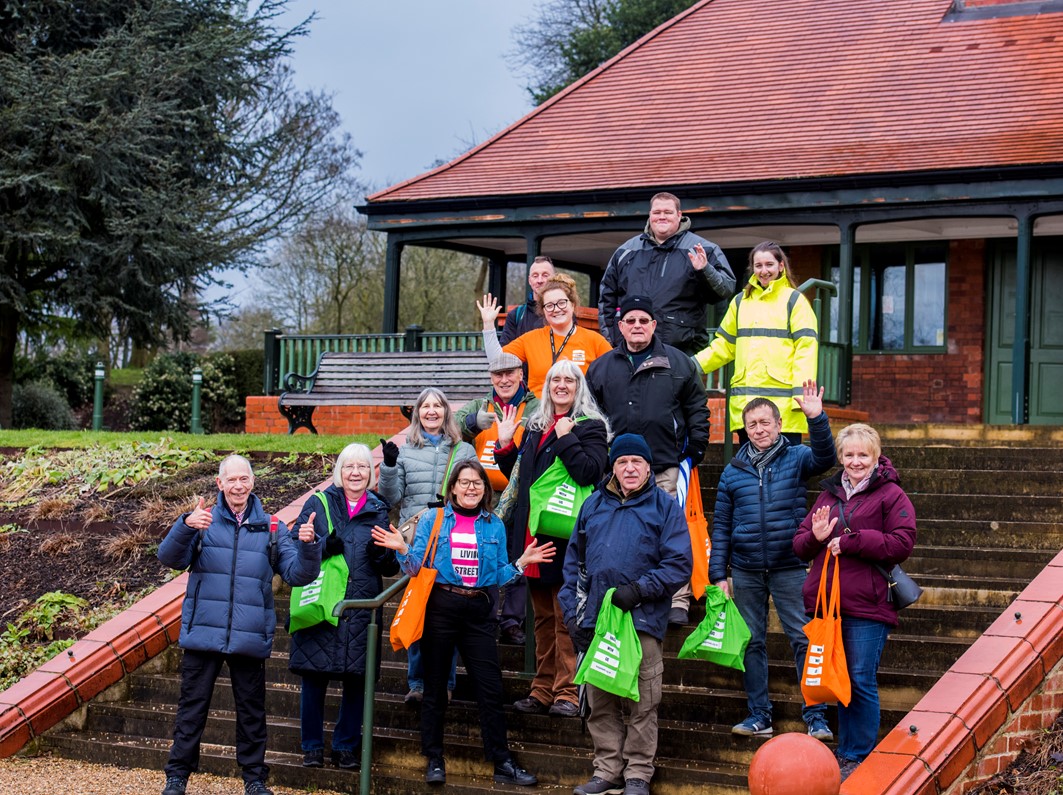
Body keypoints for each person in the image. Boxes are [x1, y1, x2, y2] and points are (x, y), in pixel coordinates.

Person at [372, 460, 554, 787]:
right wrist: (402, 549)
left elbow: (496, 575)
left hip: (479, 612)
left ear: (485, 489)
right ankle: (434, 757)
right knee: (436, 686)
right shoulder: (434, 519)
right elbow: (417, 568)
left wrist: (520, 565)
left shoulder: (494, 525)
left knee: (490, 688)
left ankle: (501, 761)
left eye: (477, 483)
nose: (471, 488)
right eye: (464, 482)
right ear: (452, 487)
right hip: (441, 607)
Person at [157, 455, 322, 795]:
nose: (238, 486)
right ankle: (177, 777)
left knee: (251, 713)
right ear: (220, 484)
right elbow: (169, 558)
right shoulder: (201, 521)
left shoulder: (272, 527)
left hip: (249, 635)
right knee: (191, 711)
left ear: (252, 482)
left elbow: (298, 575)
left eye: (243, 479)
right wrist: (185, 525)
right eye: (231, 480)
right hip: (204, 632)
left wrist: (309, 547)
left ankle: (254, 780)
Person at [559, 434, 692, 795]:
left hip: (642, 620)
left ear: (649, 467)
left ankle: (637, 774)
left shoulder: (665, 507)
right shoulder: (592, 505)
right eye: (622, 462)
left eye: (637, 461)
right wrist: (573, 615)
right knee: (599, 701)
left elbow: (679, 563)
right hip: (597, 622)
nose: (629, 468)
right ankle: (607, 770)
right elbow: (573, 564)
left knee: (642, 702)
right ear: (613, 467)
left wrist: (640, 590)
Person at [709, 382, 836, 742]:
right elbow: (721, 527)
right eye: (752, 425)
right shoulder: (732, 471)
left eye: (765, 422)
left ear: (779, 424)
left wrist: (817, 418)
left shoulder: (797, 457)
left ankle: (816, 716)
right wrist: (719, 573)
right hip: (746, 569)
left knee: (803, 638)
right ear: (744, 430)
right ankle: (758, 715)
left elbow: (826, 458)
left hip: (789, 565)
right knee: (751, 641)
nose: (759, 430)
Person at [793, 423, 917, 782]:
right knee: (840, 680)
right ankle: (846, 753)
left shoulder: (891, 495)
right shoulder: (828, 494)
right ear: (841, 458)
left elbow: (902, 543)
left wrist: (853, 541)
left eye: (863, 454)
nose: (856, 461)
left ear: (876, 457)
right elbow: (799, 543)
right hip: (828, 604)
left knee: (860, 679)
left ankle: (857, 754)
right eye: (849, 454)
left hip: (869, 604)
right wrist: (815, 537)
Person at [494, 358, 610, 718]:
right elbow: (524, 478)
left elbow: (589, 472)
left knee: (565, 617)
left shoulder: (591, 426)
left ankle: (568, 693)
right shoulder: (535, 425)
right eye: (555, 379)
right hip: (532, 536)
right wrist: (504, 446)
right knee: (542, 618)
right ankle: (542, 689)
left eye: (569, 380)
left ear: (579, 388)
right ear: (547, 387)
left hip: (567, 537)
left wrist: (566, 437)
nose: (561, 385)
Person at [586, 293, 709, 626]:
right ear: (620, 326)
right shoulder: (601, 367)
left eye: (644, 320)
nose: (637, 326)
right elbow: (590, 414)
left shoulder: (679, 363)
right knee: (622, 536)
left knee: (670, 535)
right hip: (616, 471)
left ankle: (677, 600)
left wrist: (696, 447)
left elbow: (698, 407)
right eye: (631, 321)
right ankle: (623, 593)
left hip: (664, 467)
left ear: (654, 325)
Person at [288, 443, 399, 770]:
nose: (355, 473)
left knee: (356, 680)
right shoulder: (319, 502)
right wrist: (322, 546)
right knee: (313, 677)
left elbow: (389, 565)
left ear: (370, 473)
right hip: (322, 601)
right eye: (349, 466)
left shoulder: (378, 508)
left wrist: (384, 555)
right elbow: (293, 547)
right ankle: (311, 747)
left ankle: (345, 747)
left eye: (362, 467)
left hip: (361, 606)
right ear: (339, 471)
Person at [378, 386, 475, 704]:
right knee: (418, 609)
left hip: (451, 539)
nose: (431, 411)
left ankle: (445, 683)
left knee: (447, 615)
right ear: (416, 413)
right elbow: (392, 497)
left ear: (446, 412)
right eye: (425, 406)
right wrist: (389, 468)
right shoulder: (406, 451)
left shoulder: (463, 451)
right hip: (416, 542)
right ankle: (418, 683)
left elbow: (475, 491)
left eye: (437, 406)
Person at [454, 351, 540, 645]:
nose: (504, 380)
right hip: (481, 496)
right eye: (497, 375)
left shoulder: (535, 406)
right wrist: (471, 421)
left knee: (517, 555)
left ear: (521, 375)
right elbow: (451, 423)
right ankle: (486, 616)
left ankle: (512, 621)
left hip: (520, 494)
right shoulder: (482, 405)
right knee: (484, 555)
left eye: (510, 373)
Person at [694, 241, 818, 445]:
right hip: (747, 409)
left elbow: (806, 351)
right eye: (758, 265)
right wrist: (694, 364)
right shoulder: (740, 302)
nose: (764, 270)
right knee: (751, 472)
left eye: (769, 264)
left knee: (785, 473)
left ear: (781, 266)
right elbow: (724, 346)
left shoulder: (794, 301)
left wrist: (800, 397)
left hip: (783, 410)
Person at [599, 192, 734, 357]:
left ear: (679, 215)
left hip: (681, 351)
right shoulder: (625, 251)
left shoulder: (702, 249)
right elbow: (607, 299)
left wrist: (705, 270)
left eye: (668, 212)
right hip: (631, 351)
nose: (661, 217)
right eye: (657, 212)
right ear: (650, 215)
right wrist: (613, 339)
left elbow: (726, 288)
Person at [480, 272, 613, 396]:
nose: (556, 309)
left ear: (572, 305)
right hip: (539, 414)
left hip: (579, 415)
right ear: (543, 311)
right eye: (549, 305)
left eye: (562, 303)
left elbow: (614, 376)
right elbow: (497, 361)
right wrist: (488, 324)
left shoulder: (595, 340)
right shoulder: (530, 339)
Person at [500, 255, 556, 344]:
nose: (540, 280)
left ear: (554, 279)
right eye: (535, 276)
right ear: (530, 280)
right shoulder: (515, 316)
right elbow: (504, 353)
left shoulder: (563, 313)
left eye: (545, 275)